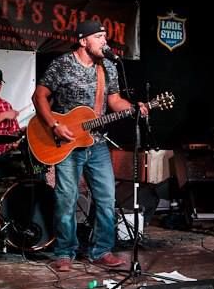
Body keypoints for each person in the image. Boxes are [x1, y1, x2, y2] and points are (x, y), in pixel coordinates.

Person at [32, 21, 147, 272]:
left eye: (105, 36)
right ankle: (64, 252)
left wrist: (134, 108)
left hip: (97, 143)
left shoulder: (108, 67)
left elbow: (114, 101)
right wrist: (54, 125)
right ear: (83, 41)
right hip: (67, 143)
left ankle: (101, 251)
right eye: (98, 37)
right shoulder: (63, 64)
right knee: (67, 198)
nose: (104, 41)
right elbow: (39, 96)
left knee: (107, 198)